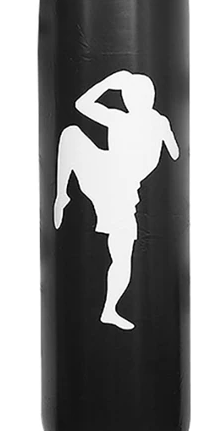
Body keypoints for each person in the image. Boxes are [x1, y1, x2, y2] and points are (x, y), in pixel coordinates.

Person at [53, 70, 180, 330]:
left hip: (120, 188)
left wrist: (110, 83)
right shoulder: (148, 121)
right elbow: (175, 153)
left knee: (122, 255)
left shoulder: (123, 119)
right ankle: (62, 195)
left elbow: (82, 104)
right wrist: (163, 132)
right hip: (108, 177)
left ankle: (109, 310)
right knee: (71, 134)